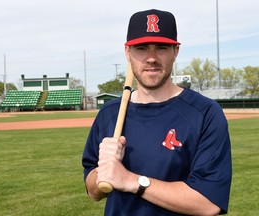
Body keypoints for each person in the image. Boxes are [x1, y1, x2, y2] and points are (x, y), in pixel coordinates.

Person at [82, 9, 232, 216]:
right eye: (141, 48)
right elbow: (93, 191)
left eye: (161, 47)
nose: (151, 58)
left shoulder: (205, 113)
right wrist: (103, 169)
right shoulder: (109, 113)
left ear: (176, 51)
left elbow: (208, 203)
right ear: (128, 52)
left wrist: (131, 181)